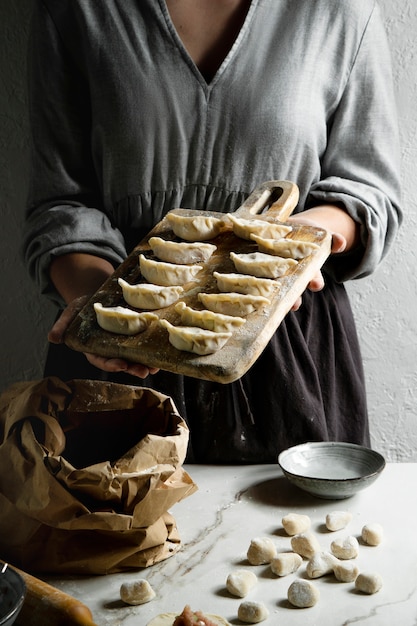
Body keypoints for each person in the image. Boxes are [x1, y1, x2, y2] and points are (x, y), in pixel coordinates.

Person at [23, 0, 402, 463]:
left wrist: (291, 248)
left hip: (283, 338)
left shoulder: (342, 10)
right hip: (124, 346)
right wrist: (96, 313)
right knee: (114, 529)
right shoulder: (76, 11)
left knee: (288, 531)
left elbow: (368, 192)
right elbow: (61, 202)